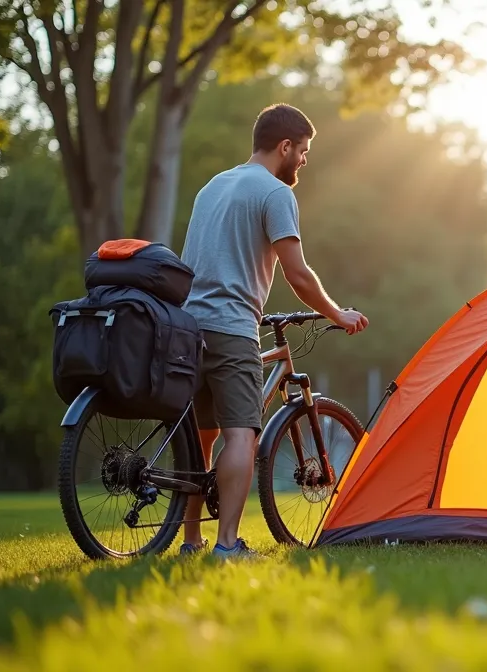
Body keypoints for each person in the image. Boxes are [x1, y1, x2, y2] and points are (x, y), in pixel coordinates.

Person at [178, 103, 368, 560]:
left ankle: (190, 541)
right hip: (231, 328)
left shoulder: (213, 187)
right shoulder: (275, 194)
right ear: (285, 146)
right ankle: (226, 544)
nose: (303, 160)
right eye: (302, 151)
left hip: (186, 326)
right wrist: (337, 313)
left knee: (201, 439)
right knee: (242, 434)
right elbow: (297, 275)